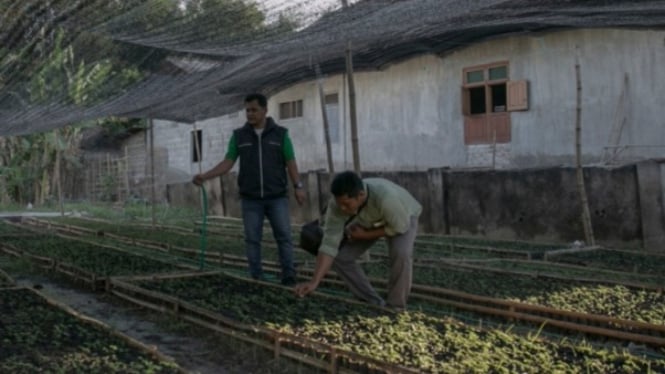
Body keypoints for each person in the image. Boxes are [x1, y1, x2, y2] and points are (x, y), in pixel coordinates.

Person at [193, 93, 306, 286]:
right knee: (253, 239)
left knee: (284, 237)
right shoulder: (239, 136)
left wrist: (298, 186)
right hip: (251, 198)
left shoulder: (280, 134)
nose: (250, 114)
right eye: (247, 110)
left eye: (254, 110)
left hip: (277, 196)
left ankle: (288, 275)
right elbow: (228, 162)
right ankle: (256, 275)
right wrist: (205, 176)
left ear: (264, 110)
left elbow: (290, 161)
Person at [294, 171, 421, 310]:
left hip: (402, 216)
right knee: (340, 257)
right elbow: (329, 245)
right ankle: (372, 301)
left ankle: (396, 306)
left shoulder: (386, 198)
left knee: (401, 253)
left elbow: (399, 227)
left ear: (361, 195)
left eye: (346, 204)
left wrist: (364, 236)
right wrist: (314, 282)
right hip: (368, 219)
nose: (342, 208)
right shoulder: (337, 206)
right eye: (339, 204)